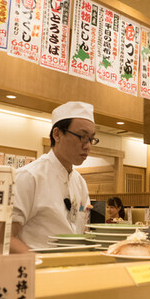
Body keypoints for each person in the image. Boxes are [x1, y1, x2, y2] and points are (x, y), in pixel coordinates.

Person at [10, 101, 95, 251]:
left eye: (91, 139)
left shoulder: (79, 182)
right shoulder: (30, 177)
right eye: (82, 136)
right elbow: (6, 237)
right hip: (38, 263)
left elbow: (82, 231)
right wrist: (38, 261)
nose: (87, 145)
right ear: (57, 134)